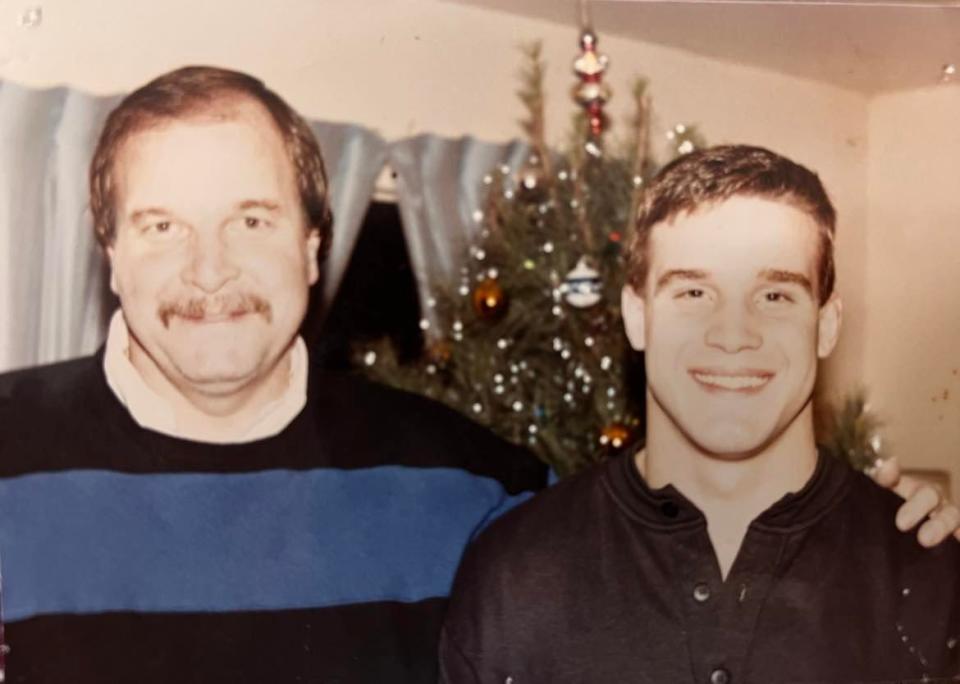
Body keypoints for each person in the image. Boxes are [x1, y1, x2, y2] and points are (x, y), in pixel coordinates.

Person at [0, 66, 545, 683]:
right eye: (164, 227)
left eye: (251, 221)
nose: (210, 271)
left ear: (311, 249)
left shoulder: (476, 488)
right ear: (114, 258)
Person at [439, 145, 960, 683]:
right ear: (637, 317)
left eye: (775, 296)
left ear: (826, 324)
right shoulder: (514, 574)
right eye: (694, 292)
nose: (733, 336)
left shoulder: (928, 571)